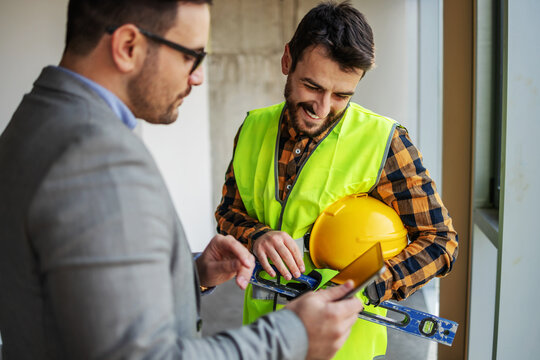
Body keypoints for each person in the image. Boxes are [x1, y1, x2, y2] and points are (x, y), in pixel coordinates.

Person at [0, 1, 364, 359]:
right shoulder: (97, 157)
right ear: (128, 46)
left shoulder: (33, 120)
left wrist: (188, 276)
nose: (198, 76)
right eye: (192, 55)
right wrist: (293, 334)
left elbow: (79, 303)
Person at [215, 1, 459, 359]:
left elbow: (441, 242)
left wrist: (369, 287)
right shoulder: (252, 128)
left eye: (342, 95)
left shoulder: (386, 142)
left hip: (343, 349)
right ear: (287, 61)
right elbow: (227, 213)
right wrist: (258, 236)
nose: (323, 107)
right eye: (312, 86)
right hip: (264, 341)